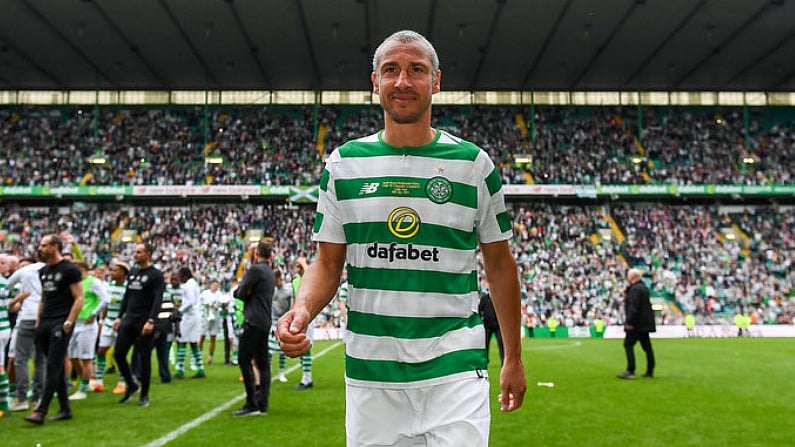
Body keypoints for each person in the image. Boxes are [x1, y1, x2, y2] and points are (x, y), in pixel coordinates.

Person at [277, 30, 526, 446]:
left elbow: (500, 265)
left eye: (416, 70)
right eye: (390, 70)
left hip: (456, 370)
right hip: (372, 376)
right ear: (375, 82)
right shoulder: (343, 165)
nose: (403, 82)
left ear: (437, 81)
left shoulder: (473, 165)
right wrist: (302, 310)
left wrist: (513, 357)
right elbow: (327, 262)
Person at [24, 234, 84, 425]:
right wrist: (39, 320)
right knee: (54, 364)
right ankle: (65, 409)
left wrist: (69, 322)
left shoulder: (69, 269)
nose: (40, 248)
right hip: (45, 322)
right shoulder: (44, 271)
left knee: (53, 365)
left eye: (44, 245)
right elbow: (44, 298)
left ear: (55, 246)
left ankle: (41, 410)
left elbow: (79, 298)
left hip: (61, 322)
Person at [112, 243, 165, 407]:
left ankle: (144, 395)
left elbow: (158, 300)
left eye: (139, 252)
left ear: (148, 254)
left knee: (144, 357)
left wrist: (151, 321)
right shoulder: (133, 273)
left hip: (144, 321)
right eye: (135, 252)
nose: (135, 254)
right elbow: (127, 296)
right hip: (129, 319)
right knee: (118, 354)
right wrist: (119, 316)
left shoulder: (156, 275)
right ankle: (132, 384)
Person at [232, 241, 275, 416]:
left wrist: (243, 290)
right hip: (264, 320)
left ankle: (251, 403)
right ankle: (262, 403)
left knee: (244, 359)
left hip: (253, 320)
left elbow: (240, 293)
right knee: (262, 362)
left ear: (256, 252)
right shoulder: (269, 271)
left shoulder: (255, 270)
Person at [7, 257, 45, 411]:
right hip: (45, 317)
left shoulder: (23, 271)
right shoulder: (51, 269)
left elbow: (6, 286)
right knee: (40, 359)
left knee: (21, 358)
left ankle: (21, 398)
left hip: (27, 317)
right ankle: (37, 398)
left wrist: (17, 298)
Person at [67, 261, 109, 400]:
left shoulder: (93, 282)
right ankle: (85, 381)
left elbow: (105, 299)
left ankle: (83, 389)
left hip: (87, 323)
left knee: (86, 357)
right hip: (74, 322)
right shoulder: (75, 282)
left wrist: (94, 314)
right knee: (72, 356)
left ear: (82, 269)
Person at [93, 261, 129, 394]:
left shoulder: (128, 288)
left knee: (120, 354)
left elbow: (129, 307)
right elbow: (105, 306)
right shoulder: (107, 287)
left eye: (115, 271)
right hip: (108, 323)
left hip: (122, 324)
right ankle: (99, 381)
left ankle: (121, 382)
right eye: (112, 270)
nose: (112, 273)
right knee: (101, 350)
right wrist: (102, 322)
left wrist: (123, 321)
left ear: (123, 273)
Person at [617, 268, 656, 379]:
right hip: (645, 323)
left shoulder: (634, 290)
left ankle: (631, 370)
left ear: (632, 278)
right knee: (647, 347)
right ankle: (650, 370)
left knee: (628, 344)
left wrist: (629, 322)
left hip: (637, 323)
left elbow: (633, 307)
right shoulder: (644, 288)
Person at [174, 266, 206, 379]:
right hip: (195, 316)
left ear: (184, 275)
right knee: (193, 343)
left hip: (189, 316)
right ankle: (201, 369)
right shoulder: (194, 284)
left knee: (182, 341)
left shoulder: (188, 285)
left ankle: (180, 370)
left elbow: (190, 301)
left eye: (179, 276)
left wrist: (179, 310)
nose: (179, 278)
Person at [291, 257, 314, 390]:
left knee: (305, 346)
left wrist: (304, 263)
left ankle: (307, 378)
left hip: (309, 315)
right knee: (300, 346)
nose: (297, 269)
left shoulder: (308, 278)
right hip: (297, 315)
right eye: (297, 266)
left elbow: (310, 276)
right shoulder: (295, 281)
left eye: (299, 266)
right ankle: (305, 376)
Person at [269, 269, 292, 383]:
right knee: (268, 350)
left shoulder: (288, 291)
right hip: (271, 322)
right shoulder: (272, 290)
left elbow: (291, 307)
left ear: (279, 279)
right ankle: (267, 372)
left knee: (282, 350)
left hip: (282, 323)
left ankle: (281, 373)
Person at [478, 290, 504, 365]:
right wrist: (481, 320)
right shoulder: (484, 298)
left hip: (498, 325)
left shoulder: (498, 298)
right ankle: (485, 360)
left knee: (501, 343)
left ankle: (503, 360)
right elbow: (480, 309)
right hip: (487, 325)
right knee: (485, 344)